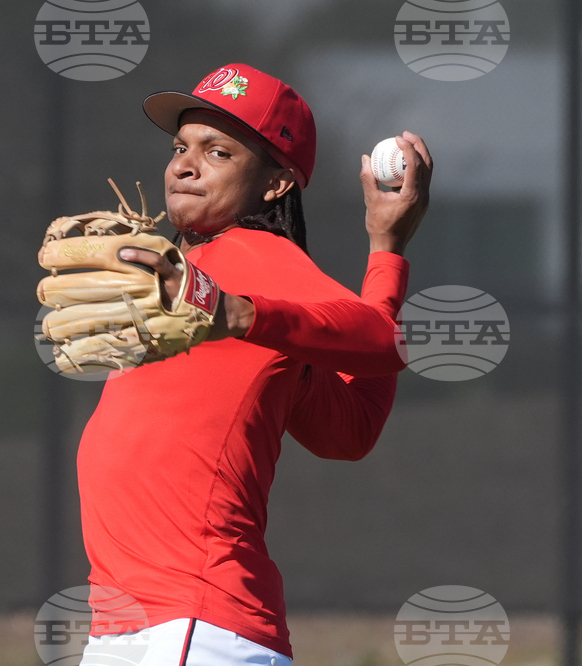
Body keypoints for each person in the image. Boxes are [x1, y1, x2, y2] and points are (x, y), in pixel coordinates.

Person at [75, 64, 433, 665]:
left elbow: (380, 342)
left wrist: (238, 312)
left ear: (274, 185)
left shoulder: (251, 255)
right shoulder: (185, 282)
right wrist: (384, 252)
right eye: (180, 147)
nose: (184, 165)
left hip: (192, 623)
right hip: (141, 627)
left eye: (217, 151)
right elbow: (349, 432)